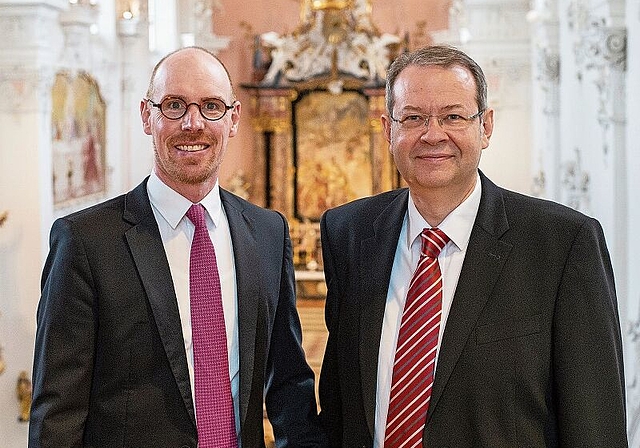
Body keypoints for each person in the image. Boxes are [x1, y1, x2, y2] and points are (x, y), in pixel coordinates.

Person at [318, 45, 627, 447]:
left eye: (453, 116)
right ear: (387, 130)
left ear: (486, 127)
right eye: (413, 118)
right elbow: (339, 407)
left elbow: (595, 425)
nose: (433, 134)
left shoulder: (562, 244)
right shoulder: (349, 233)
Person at [29, 46, 325, 448]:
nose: (193, 123)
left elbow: (289, 382)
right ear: (147, 116)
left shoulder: (267, 232)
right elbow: (59, 411)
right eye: (174, 105)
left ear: (234, 118)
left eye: (211, 106)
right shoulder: (85, 241)